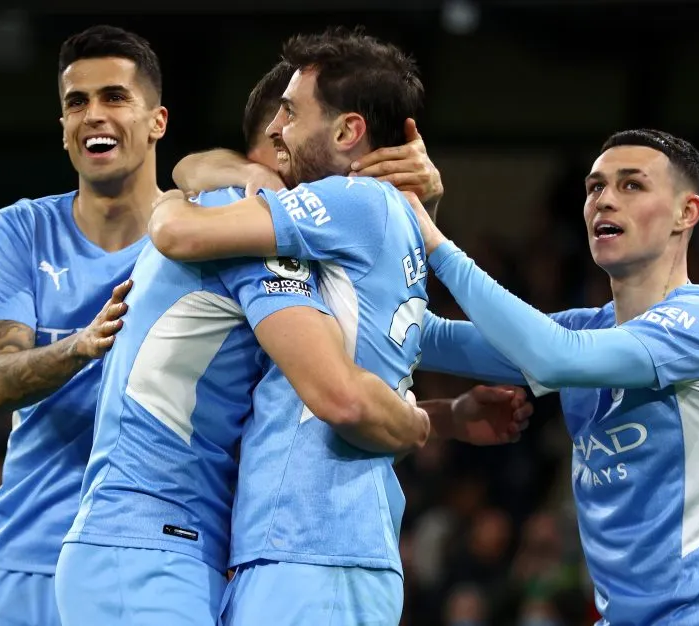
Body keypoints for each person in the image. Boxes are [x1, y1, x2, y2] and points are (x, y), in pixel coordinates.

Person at [53, 38, 532, 626]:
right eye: (284, 118)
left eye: (293, 113)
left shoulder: (239, 216)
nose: (287, 129)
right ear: (275, 147)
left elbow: (375, 345)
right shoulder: (248, 233)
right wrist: (424, 422)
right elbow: (341, 396)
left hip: (171, 542)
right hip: (149, 540)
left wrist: (454, 409)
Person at [404, 129, 699, 625]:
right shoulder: (585, 330)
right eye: (595, 187)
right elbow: (423, 336)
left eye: (631, 186)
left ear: (686, 213)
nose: (604, 200)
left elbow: (555, 358)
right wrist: (409, 218)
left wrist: (438, 246)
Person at [0, 25, 166, 626]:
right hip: (25, 554)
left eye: (114, 97)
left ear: (157, 121)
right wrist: (82, 346)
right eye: (76, 103)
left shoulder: (200, 234)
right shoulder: (22, 229)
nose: (92, 116)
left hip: (144, 557)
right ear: (62, 128)